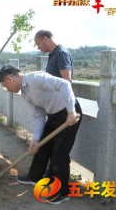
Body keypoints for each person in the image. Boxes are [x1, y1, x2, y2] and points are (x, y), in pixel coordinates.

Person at [0, 64, 82, 204]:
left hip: (69, 114)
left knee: (59, 153)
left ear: (9, 79)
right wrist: (35, 139)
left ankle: (63, 192)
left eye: (5, 86)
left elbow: (64, 84)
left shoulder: (36, 78)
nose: (7, 89)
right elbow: (38, 115)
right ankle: (35, 177)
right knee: (42, 146)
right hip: (54, 116)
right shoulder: (25, 92)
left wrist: (71, 111)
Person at [34, 30, 83, 178]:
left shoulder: (61, 53)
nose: (38, 48)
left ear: (46, 39)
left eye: (38, 43)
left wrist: (68, 110)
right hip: (56, 110)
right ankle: (46, 178)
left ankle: (61, 191)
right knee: (47, 145)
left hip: (66, 109)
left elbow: (66, 81)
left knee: (60, 152)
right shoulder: (53, 55)